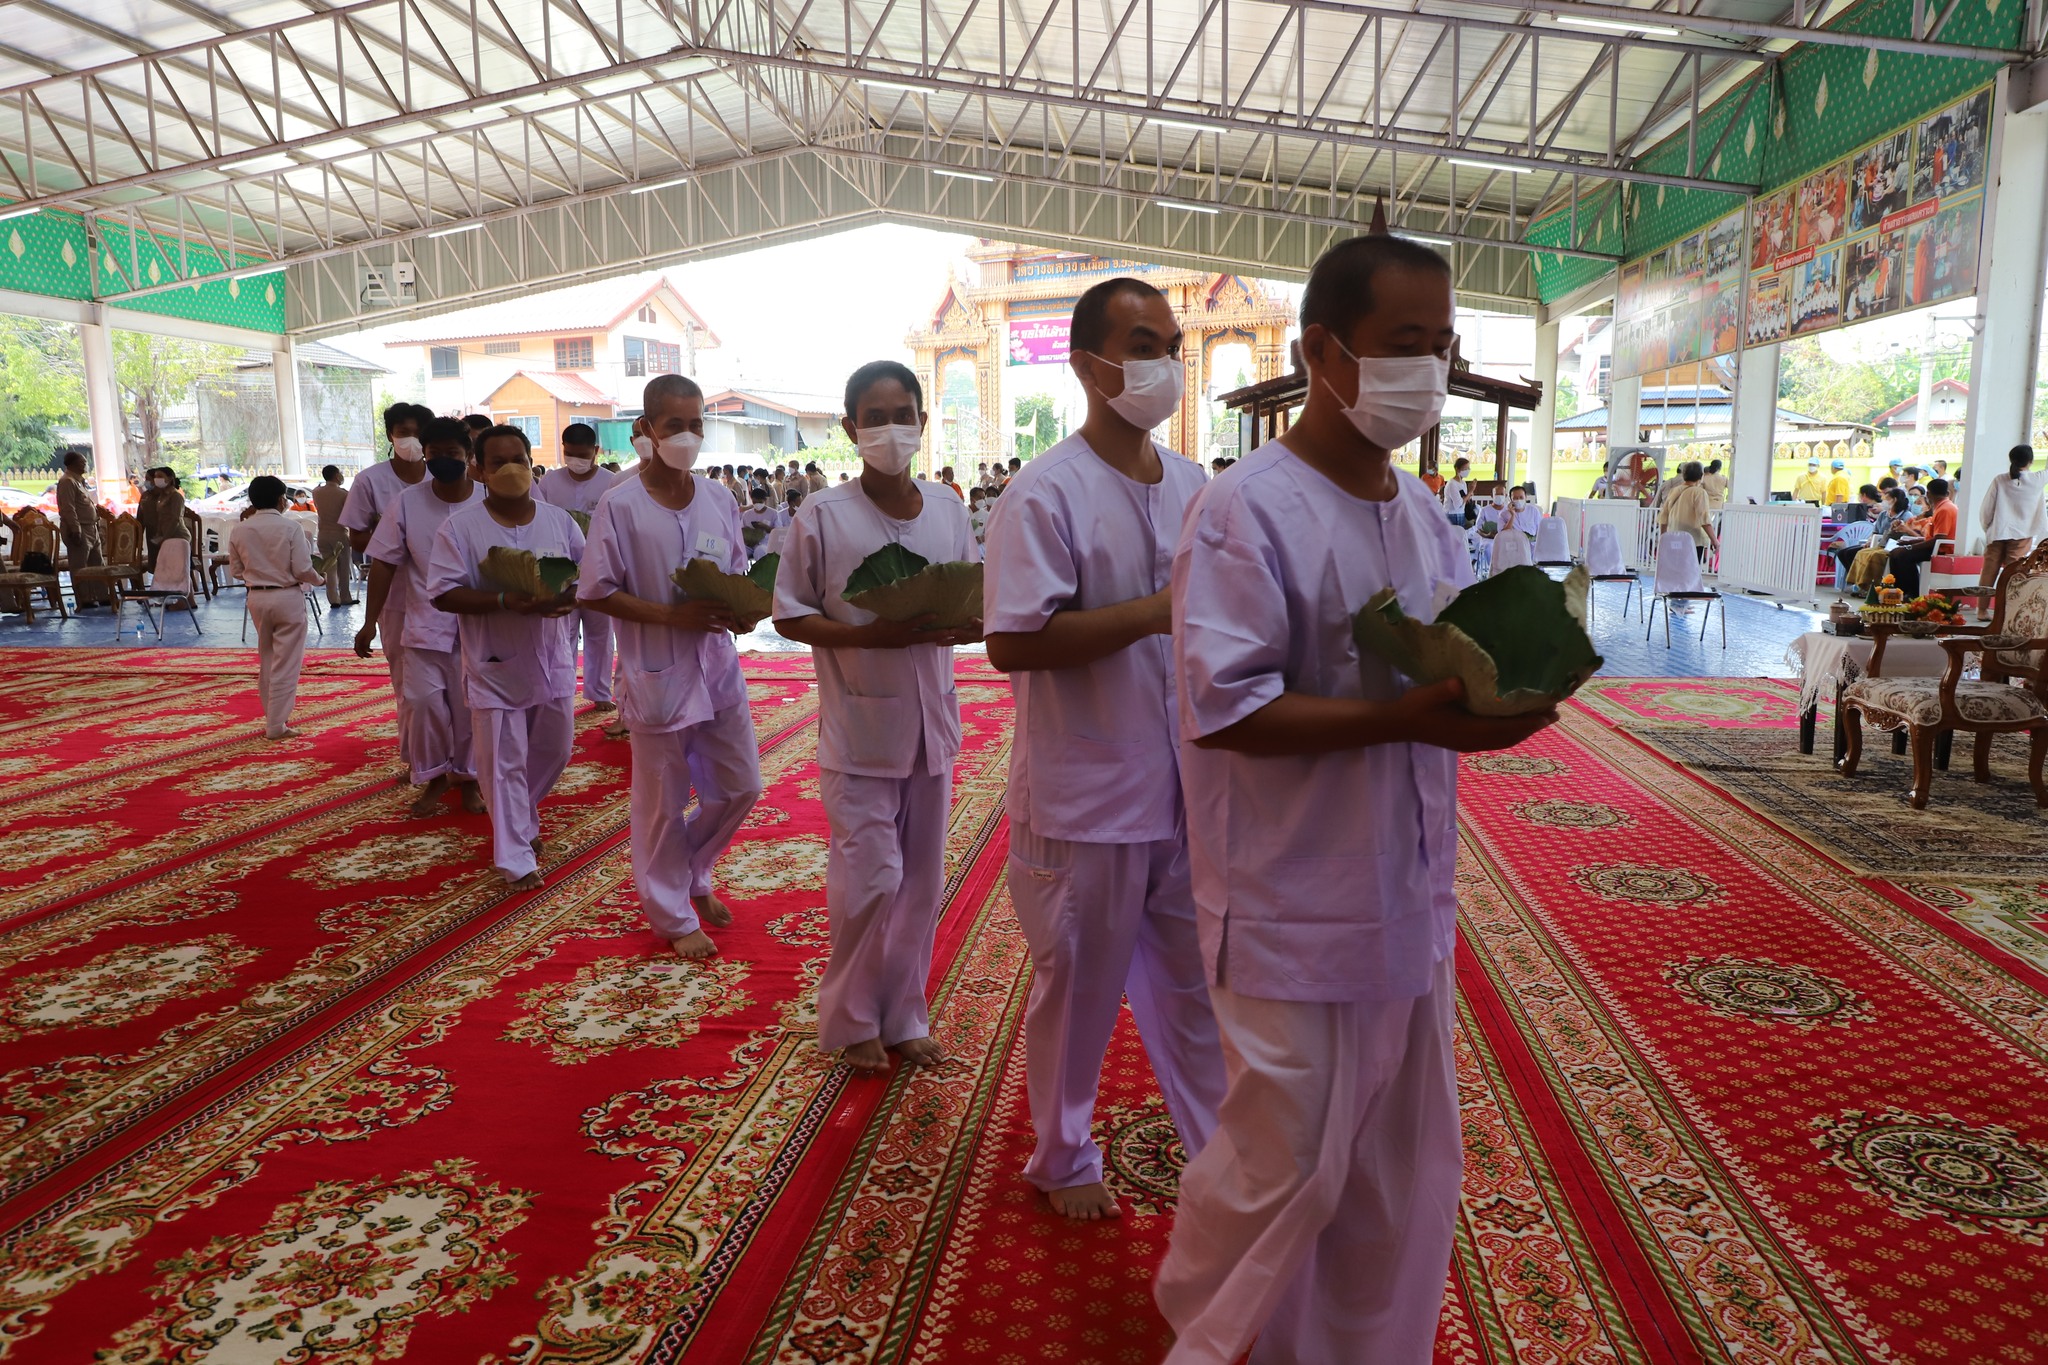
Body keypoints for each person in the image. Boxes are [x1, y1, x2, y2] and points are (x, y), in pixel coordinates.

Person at [1154, 235, 1556, 1365]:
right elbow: (1223, 707)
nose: (1426, 373)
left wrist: (1484, 703)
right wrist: (1408, 720)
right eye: (1401, 346)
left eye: (1441, 347)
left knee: (1402, 1167)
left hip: (1408, 888)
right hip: (1292, 896)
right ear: (1320, 351)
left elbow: (1432, 673)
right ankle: (1209, 1334)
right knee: (1284, 1163)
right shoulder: (1245, 510)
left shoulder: (1421, 512)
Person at [982, 276, 1226, 1221]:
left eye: (1170, 341)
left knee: (1195, 988)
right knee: (1079, 988)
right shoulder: (1044, 494)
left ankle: (1221, 1159)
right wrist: (1151, 612)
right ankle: (1063, 1151)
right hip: (1087, 789)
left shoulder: (1196, 484)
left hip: (1184, 784)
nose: (1163, 361)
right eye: (1142, 343)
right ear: (1088, 364)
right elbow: (1012, 639)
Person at [771, 359, 979, 1073]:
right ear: (850, 427)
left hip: (932, 728)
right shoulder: (824, 516)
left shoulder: (950, 508)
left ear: (923, 421)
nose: (892, 429)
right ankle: (852, 1016)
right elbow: (790, 613)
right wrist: (864, 634)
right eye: (877, 416)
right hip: (859, 726)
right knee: (871, 879)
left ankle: (904, 1014)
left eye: (904, 414)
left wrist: (961, 623)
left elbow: (968, 595)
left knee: (921, 883)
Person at [580, 375, 763, 955]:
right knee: (661, 802)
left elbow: (734, 573)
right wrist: (666, 616)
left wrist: (744, 612)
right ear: (647, 431)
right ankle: (671, 914)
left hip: (717, 666)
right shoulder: (620, 503)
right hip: (656, 670)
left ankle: (692, 870)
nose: (687, 436)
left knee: (740, 787)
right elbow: (595, 590)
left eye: (696, 425)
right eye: (675, 425)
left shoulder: (718, 499)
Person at [426, 425, 585, 889]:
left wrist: (568, 598)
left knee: (555, 749)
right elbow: (442, 593)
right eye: (498, 462)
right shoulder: (459, 527)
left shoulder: (559, 521)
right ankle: (515, 856)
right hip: (494, 662)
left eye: (518, 458)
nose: (510, 469)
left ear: (532, 461)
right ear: (479, 470)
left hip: (552, 655)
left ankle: (520, 815)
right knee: (503, 761)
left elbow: (586, 575)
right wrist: (501, 601)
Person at [359, 418, 487, 818]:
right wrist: (369, 621)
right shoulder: (409, 501)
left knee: (469, 708)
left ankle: (469, 780)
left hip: (478, 624)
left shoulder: (488, 498)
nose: (444, 460)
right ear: (426, 456)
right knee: (421, 703)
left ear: (468, 456)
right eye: (436, 454)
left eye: (453, 454)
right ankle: (433, 777)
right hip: (424, 623)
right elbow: (384, 563)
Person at [344, 402, 433, 771]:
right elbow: (357, 537)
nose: (408, 439)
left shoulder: (445, 479)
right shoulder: (371, 480)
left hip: (447, 597)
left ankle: (461, 765)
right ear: (390, 435)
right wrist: (397, 540)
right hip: (395, 595)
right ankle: (416, 759)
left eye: (415, 431)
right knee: (409, 686)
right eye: (401, 431)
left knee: (457, 687)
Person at [534, 422, 621, 711]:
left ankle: (599, 692)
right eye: (570, 454)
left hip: (600, 567)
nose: (576, 461)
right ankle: (563, 690)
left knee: (600, 633)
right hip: (560, 570)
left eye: (583, 455)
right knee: (563, 633)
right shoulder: (549, 482)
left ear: (596, 451)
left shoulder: (611, 482)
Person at [230, 476, 323, 741]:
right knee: (287, 663)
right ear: (282, 499)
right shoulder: (290, 528)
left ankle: (272, 717)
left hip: (256, 598)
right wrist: (320, 579)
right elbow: (303, 569)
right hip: (287, 597)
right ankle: (276, 724)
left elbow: (236, 571)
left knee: (268, 658)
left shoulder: (240, 530)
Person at [1977, 444, 2048, 618]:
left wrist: (1988, 528)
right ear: (2030, 461)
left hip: (1998, 531)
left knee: (1989, 571)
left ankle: (1981, 610)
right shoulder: (2037, 479)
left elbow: (1987, 508)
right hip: (2022, 534)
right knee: (2013, 574)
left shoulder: (2000, 479)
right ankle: (2007, 612)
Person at [1886, 475, 1958, 597]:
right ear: (1947, 493)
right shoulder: (1943, 507)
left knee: (1902, 555)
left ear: (1928, 495)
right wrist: (1911, 543)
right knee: (1895, 553)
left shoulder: (1945, 509)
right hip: (1936, 545)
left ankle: (1912, 593)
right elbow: (1932, 538)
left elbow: (1939, 539)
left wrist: (1911, 548)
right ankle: (1899, 592)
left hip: (1942, 549)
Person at [54, 447, 107, 607]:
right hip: (79, 529)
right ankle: (85, 599)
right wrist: (75, 529)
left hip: (91, 527)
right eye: (82, 462)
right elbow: (68, 508)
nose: (85, 465)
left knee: (97, 564)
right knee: (80, 566)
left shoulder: (79, 481)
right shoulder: (67, 481)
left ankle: (102, 595)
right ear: (72, 464)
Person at [311, 464, 355, 606]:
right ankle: (345, 597)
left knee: (329, 567)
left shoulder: (316, 492)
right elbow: (350, 515)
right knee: (343, 568)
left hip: (322, 534)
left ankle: (333, 599)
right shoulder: (343, 494)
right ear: (337, 476)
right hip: (339, 534)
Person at [1826, 484, 1886, 588]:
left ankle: (1859, 582)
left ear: (1864, 495)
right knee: (1843, 553)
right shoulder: (1874, 509)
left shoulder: (1879, 510)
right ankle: (1856, 580)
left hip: (1870, 541)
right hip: (1866, 539)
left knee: (1846, 550)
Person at [1660, 460, 1719, 561]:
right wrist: (1715, 541)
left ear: (1684, 475)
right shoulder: (1699, 492)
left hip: (1674, 538)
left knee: (1676, 570)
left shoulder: (1674, 491)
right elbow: (1704, 518)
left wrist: (1663, 538)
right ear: (1701, 475)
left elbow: (1664, 516)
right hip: (1693, 540)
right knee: (1690, 573)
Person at [137, 466, 188, 570]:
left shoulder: (175, 496)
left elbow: (175, 519)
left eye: (160, 476)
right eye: (155, 477)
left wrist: (164, 537)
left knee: (175, 570)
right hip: (160, 536)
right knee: (162, 569)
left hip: (175, 536)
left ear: (169, 479)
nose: (156, 480)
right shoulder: (161, 496)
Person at [1439, 456, 1471, 526]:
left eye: (1468, 468)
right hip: (1452, 515)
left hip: (1460, 513)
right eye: (1465, 468)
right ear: (1457, 469)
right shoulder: (1452, 484)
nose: (1468, 470)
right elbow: (1458, 504)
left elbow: (1465, 500)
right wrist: (1470, 492)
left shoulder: (1463, 483)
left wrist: (1468, 496)